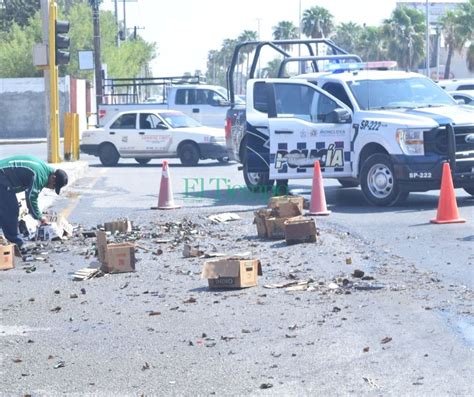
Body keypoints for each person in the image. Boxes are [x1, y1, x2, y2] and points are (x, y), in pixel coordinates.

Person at [0, 155, 68, 251]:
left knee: (4, 211)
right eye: (54, 185)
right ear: (53, 177)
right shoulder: (40, 175)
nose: (52, 188)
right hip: (2, 177)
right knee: (11, 209)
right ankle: (18, 243)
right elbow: (31, 198)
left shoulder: (44, 170)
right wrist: (39, 217)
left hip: (3, 177)